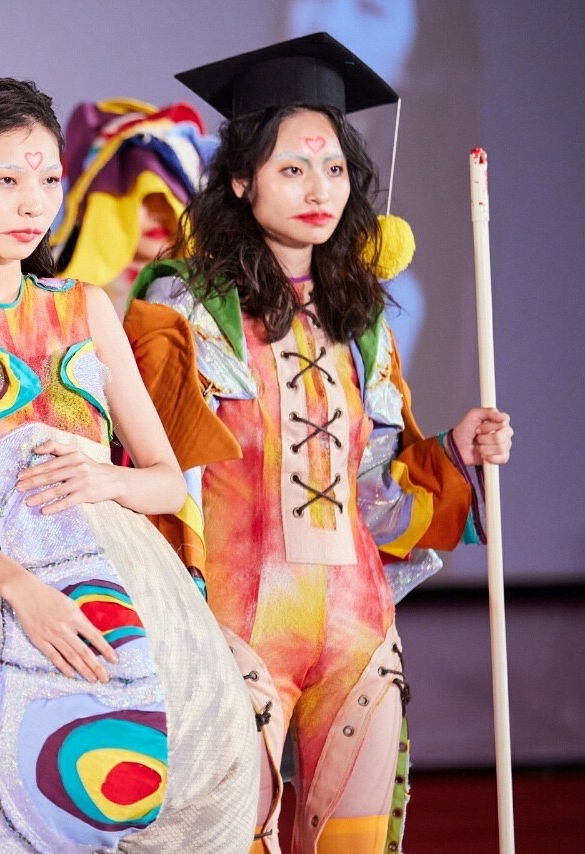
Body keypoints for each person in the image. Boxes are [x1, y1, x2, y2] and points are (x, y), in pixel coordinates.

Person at [123, 33, 513, 853]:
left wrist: (456, 450)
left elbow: (376, 488)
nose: (318, 189)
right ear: (241, 179)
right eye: (292, 168)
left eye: (334, 169)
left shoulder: (361, 319)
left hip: (356, 632)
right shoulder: (181, 307)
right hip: (234, 630)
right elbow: (154, 479)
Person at [0, 77, 256, 852]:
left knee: (143, 795)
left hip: (124, 589)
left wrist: (106, 476)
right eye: (6, 181)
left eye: (48, 180)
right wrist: (22, 592)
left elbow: (165, 481)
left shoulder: (85, 304)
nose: (32, 203)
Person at [51, 98, 217, 316]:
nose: (159, 213)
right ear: (90, 206)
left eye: (171, 198)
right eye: (141, 197)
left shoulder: (218, 301)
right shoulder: (51, 302)